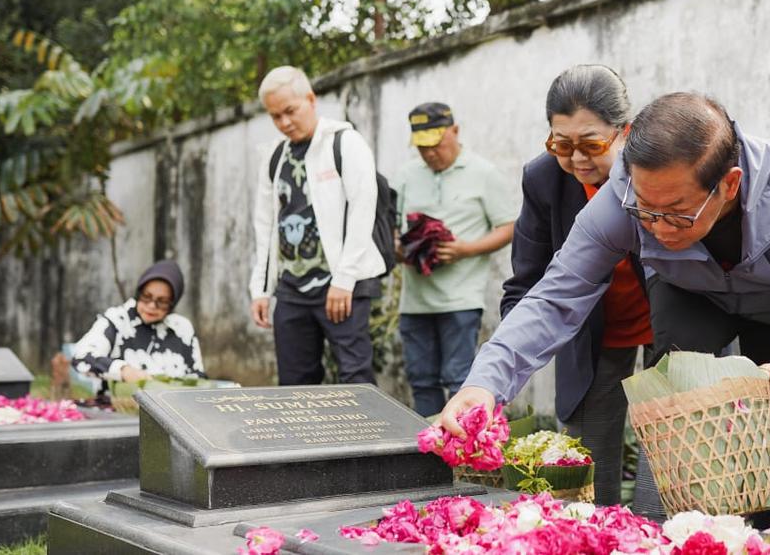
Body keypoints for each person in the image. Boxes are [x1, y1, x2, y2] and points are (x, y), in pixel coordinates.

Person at [441, 92, 770, 534]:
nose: (657, 227)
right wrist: (485, 382)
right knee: (672, 408)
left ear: (729, 185)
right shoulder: (620, 196)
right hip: (690, 295)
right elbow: (555, 296)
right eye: (645, 211)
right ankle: (666, 531)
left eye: (677, 213)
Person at [501, 65, 652, 506]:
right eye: (562, 145)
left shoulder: (654, 165)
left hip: (668, 317)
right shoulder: (544, 178)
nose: (578, 160)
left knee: (665, 469)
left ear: (623, 132)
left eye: (591, 144)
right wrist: (510, 363)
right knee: (586, 471)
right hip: (592, 331)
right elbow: (526, 282)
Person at [248, 66, 386, 385]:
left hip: (342, 286)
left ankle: (362, 437)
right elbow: (266, 226)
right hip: (292, 290)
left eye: (290, 111)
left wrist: (344, 279)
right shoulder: (274, 157)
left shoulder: (345, 143)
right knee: (295, 386)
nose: (284, 123)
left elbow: (362, 210)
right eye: (275, 116)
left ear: (311, 99)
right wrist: (261, 289)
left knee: (356, 380)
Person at [396, 102, 516, 417]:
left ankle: (457, 459)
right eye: (422, 147)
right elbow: (392, 228)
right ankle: (425, 452)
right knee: (421, 381)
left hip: (460, 300)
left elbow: (508, 227)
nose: (430, 153)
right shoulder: (406, 175)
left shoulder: (483, 173)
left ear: (455, 131)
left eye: (436, 143)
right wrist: (403, 249)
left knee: (458, 380)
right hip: (415, 301)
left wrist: (465, 249)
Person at [73, 260, 204, 394]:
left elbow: (198, 379)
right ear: (138, 293)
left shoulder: (182, 328)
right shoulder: (117, 320)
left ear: (172, 303)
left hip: (169, 410)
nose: (152, 306)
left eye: (162, 301)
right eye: (147, 297)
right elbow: (81, 357)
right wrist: (123, 370)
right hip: (118, 410)